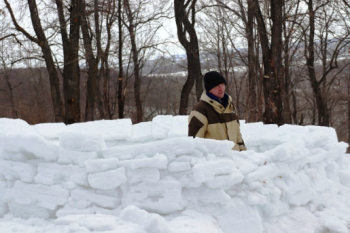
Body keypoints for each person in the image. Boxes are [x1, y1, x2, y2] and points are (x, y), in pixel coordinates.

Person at [188, 71, 246, 151]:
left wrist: (244, 153)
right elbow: (195, 142)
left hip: (235, 159)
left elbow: (238, 135)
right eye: (216, 86)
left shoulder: (230, 106)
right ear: (209, 89)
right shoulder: (200, 110)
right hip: (215, 161)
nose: (221, 88)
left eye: (222, 85)